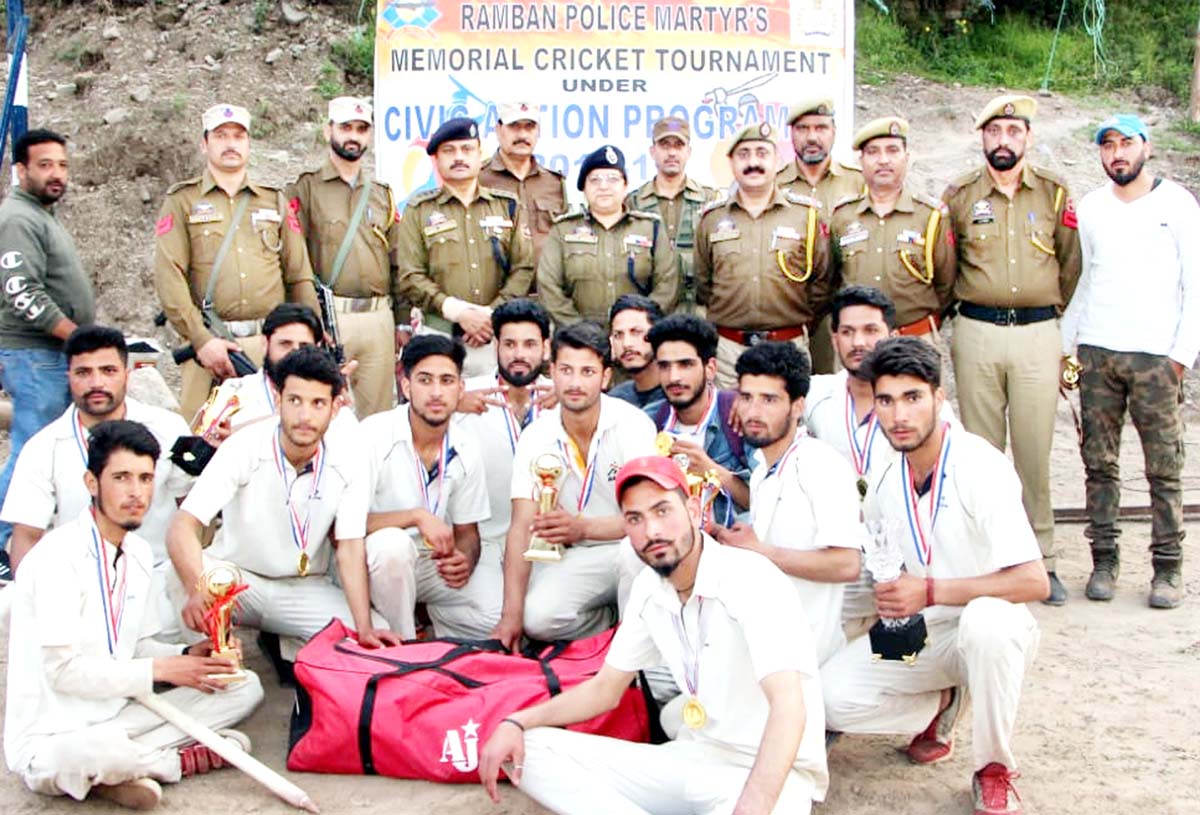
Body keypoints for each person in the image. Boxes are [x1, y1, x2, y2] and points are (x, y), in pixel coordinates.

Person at [479, 455, 829, 815]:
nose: (652, 531)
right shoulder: (650, 587)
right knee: (529, 748)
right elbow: (605, 690)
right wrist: (516, 720)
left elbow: (789, 708)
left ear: (694, 511)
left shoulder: (750, 578)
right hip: (694, 757)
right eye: (635, 519)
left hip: (772, 773)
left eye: (663, 511)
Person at [822, 337, 1048, 815]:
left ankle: (993, 770)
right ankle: (945, 699)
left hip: (988, 623)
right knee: (829, 697)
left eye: (912, 398)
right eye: (886, 400)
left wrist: (927, 591)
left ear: (939, 399)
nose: (899, 415)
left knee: (989, 625)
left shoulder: (978, 464)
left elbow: (1033, 582)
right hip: (928, 628)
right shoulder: (884, 475)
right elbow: (889, 567)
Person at [5, 420, 263, 810]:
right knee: (98, 753)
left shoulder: (140, 553)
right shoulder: (56, 557)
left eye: (145, 479)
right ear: (92, 483)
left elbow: (138, 645)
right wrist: (162, 670)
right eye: (122, 478)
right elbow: (62, 672)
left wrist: (186, 655)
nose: (135, 492)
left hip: (120, 712)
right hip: (55, 733)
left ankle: (119, 773)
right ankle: (168, 762)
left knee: (245, 687)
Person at [166, 346, 399, 655]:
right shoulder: (244, 445)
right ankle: (207, 664)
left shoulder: (350, 456)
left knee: (374, 639)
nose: (304, 416)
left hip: (302, 587)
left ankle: (289, 653)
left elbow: (350, 547)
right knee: (179, 573)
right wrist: (197, 587)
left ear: (335, 407)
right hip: (237, 581)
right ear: (278, 401)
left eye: (317, 403)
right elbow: (183, 525)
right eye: (294, 401)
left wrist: (364, 626)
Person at [942, 94, 1082, 606]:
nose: (1004, 141)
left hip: (1037, 334)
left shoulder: (1053, 193)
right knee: (979, 453)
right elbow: (946, 265)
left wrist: (1045, 311)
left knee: (1033, 450)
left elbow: (1070, 265)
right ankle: (984, 563)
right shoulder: (959, 195)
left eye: (1013, 132)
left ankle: (1042, 559)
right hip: (976, 331)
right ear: (982, 138)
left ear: (1027, 137)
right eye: (994, 132)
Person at [1062, 113, 1200, 609]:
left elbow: (1195, 286)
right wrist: (1067, 346)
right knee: (1099, 464)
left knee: (1163, 468)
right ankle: (1104, 561)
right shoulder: (1093, 208)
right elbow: (1082, 279)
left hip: (1155, 357)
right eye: (1108, 146)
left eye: (1126, 143)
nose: (1117, 153)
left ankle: (1167, 569)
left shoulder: (1179, 204)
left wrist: (1180, 358)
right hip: (1098, 352)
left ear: (1146, 146)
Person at [492, 321, 657, 647]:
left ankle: (635, 648)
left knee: (631, 554)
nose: (576, 383)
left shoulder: (633, 425)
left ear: (606, 377)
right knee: (537, 620)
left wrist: (582, 529)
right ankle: (610, 625)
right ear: (551, 371)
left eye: (587, 371)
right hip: (575, 556)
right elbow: (521, 525)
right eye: (566, 370)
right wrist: (510, 616)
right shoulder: (536, 434)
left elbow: (649, 517)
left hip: (630, 547)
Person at [803, 287, 957, 635]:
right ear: (834, 337)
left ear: (893, 334)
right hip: (845, 548)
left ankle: (932, 678)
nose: (859, 342)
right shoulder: (815, 395)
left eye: (871, 330)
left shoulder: (927, 408)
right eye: (847, 332)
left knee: (903, 650)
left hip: (909, 553)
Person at [1, 327, 191, 601]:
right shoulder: (43, 447)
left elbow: (190, 512)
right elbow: (27, 536)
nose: (96, 383)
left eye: (108, 370)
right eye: (83, 373)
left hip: (160, 577)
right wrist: (33, 601)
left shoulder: (168, 428)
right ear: (68, 378)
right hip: (82, 589)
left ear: (128, 374)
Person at [154, 103, 320, 419]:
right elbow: (169, 276)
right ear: (204, 144)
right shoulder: (182, 201)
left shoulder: (274, 200)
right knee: (202, 440)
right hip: (208, 345)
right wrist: (202, 341)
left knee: (274, 435)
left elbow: (298, 274)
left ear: (248, 144)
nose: (230, 143)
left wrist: (307, 337)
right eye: (220, 136)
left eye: (238, 136)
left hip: (270, 344)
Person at [715, 341, 863, 664]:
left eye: (769, 399)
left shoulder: (821, 465)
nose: (753, 412)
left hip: (807, 656)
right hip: (764, 639)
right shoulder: (762, 469)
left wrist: (761, 552)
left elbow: (846, 564)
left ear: (797, 406)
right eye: (746, 397)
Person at [0, 129, 95, 567]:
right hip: (35, 353)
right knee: (32, 447)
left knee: (42, 445)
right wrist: (75, 336)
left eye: (62, 165)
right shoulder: (18, 218)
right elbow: (21, 291)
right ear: (20, 171)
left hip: (50, 352)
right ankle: (4, 539)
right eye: (45, 165)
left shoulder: (40, 214)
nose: (56, 174)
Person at [360, 335, 495, 639]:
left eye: (447, 380)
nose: (436, 392)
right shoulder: (372, 435)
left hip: (431, 563)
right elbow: (341, 528)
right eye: (425, 380)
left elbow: (467, 532)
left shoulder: (465, 445)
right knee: (392, 547)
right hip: (371, 564)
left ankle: (428, 615)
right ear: (406, 386)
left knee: (495, 615)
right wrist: (416, 516)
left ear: (461, 388)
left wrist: (465, 561)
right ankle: (405, 645)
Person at [287, 96, 403, 417]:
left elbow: (397, 261)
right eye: (346, 127)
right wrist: (309, 320)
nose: (353, 135)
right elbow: (296, 261)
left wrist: (402, 322)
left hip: (379, 318)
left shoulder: (382, 195)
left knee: (378, 417)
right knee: (327, 412)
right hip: (330, 318)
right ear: (329, 131)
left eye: (362, 129)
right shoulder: (306, 189)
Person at [396, 117, 535, 378]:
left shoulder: (507, 206)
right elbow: (410, 276)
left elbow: (524, 268)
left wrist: (490, 316)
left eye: (467, 149)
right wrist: (459, 313)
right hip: (438, 336)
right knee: (438, 413)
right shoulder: (418, 210)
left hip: (493, 338)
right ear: (436, 159)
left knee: (493, 412)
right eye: (449, 151)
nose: (459, 157)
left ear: (479, 154)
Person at [695, 123, 832, 388]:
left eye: (762, 153)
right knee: (730, 422)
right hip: (729, 352)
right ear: (731, 163)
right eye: (743, 154)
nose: (753, 162)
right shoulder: (711, 219)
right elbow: (704, 285)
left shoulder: (807, 216)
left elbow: (822, 284)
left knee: (788, 422)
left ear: (777, 160)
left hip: (788, 344)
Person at [456, 299, 553, 605]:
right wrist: (451, 406)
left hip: (548, 543)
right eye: (509, 344)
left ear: (546, 348)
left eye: (529, 344)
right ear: (496, 345)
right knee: (491, 618)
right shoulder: (464, 395)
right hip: (485, 544)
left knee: (545, 616)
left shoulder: (567, 397)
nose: (519, 354)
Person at [830, 117, 956, 340]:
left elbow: (946, 284)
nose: (883, 160)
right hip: (859, 342)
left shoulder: (930, 215)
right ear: (861, 160)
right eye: (873, 152)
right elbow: (833, 278)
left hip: (914, 337)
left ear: (906, 158)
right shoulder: (843, 216)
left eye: (892, 150)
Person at [538, 144, 679, 326]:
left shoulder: (651, 228)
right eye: (595, 180)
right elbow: (548, 287)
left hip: (638, 340)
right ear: (584, 188)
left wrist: (639, 326)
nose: (603, 187)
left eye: (613, 179)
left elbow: (667, 286)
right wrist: (580, 331)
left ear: (625, 186)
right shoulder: (562, 230)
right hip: (577, 342)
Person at [776, 96, 865, 376]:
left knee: (837, 390)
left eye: (820, 128)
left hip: (841, 311)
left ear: (834, 132)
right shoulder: (773, 183)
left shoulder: (858, 182)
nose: (812, 137)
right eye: (803, 129)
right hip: (790, 311)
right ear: (791, 135)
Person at [644, 313, 751, 525]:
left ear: (710, 368)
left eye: (685, 364)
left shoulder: (739, 416)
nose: (674, 377)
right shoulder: (647, 422)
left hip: (730, 545)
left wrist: (711, 470)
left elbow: (765, 504)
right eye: (665, 366)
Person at [625, 116, 720, 313]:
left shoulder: (710, 200)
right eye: (664, 145)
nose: (671, 153)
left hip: (697, 309)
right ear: (653, 151)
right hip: (648, 310)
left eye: (678, 145)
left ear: (689, 152)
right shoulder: (633, 202)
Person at [220, 303, 357, 437]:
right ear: (265, 344)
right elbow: (210, 442)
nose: (294, 353)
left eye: (304, 345)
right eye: (285, 344)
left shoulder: (331, 399)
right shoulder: (233, 392)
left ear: (317, 347)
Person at [479, 102, 568, 264]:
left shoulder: (554, 183)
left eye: (529, 127)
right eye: (514, 126)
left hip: (546, 288)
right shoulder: (478, 180)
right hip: (497, 287)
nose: (522, 135)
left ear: (538, 131)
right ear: (498, 130)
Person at [607, 294, 665, 407]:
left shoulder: (679, 396)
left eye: (636, 332)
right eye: (618, 335)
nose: (626, 344)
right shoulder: (614, 403)